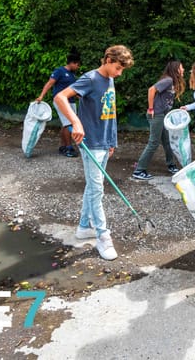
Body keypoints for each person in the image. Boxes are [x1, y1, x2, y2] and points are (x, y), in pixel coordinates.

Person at [54, 45, 134, 260]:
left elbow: (110, 112)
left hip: (104, 141)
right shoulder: (90, 79)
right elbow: (60, 97)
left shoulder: (110, 79)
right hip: (90, 142)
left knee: (93, 186)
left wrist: (112, 140)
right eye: (117, 68)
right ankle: (103, 235)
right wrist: (76, 122)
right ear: (107, 59)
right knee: (97, 189)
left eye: (121, 70)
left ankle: (83, 227)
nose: (119, 73)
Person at [132, 61, 185, 180]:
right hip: (157, 115)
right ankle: (139, 170)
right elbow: (151, 90)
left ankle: (171, 165)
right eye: (182, 68)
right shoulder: (168, 80)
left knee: (167, 141)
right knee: (154, 142)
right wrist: (151, 108)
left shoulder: (172, 81)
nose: (183, 70)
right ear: (176, 69)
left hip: (163, 115)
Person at [35, 53, 81, 157]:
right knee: (68, 124)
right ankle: (69, 148)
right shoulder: (59, 71)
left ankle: (63, 146)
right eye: (77, 65)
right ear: (73, 63)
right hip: (61, 101)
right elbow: (49, 83)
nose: (78, 67)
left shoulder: (72, 74)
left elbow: (73, 90)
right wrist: (41, 96)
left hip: (71, 101)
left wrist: (83, 98)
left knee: (66, 124)